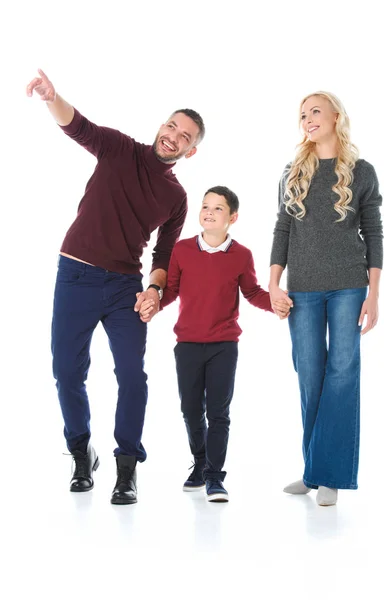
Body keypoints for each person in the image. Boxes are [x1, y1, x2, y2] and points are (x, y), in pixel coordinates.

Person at [26, 69, 205, 505]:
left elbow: (163, 257)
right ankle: (80, 453)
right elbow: (78, 126)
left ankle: (127, 467)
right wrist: (53, 97)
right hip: (76, 274)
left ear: (191, 150)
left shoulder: (176, 198)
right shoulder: (119, 148)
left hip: (125, 285)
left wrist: (156, 292)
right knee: (67, 372)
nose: (173, 137)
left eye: (184, 137)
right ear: (160, 127)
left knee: (132, 376)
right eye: (171, 126)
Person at [139, 186, 291, 502]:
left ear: (232, 217)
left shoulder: (241, 255)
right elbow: (172, 291)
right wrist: (152, 303)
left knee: (218, 412)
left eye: (217, 208)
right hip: (188, 344)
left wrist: (275, 302)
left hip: (224, 344)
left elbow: (252, 292)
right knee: (191, 409)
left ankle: (214, 477)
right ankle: (199, 462)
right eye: (205, 206)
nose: (208, 211)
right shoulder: (181, 250)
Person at [269, 91, 383, 506]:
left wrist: (374, 294)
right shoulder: (292, 172)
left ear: (336, 116)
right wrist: (274, 284)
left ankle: (328, 475)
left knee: (342, 374)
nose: (308, 119)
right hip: (302, 289)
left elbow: (374, 233)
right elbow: (282, 229)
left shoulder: (362, 171)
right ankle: (315, 470)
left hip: (349, 286)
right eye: (302, 114)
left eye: (315, 110)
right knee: (310, 374)